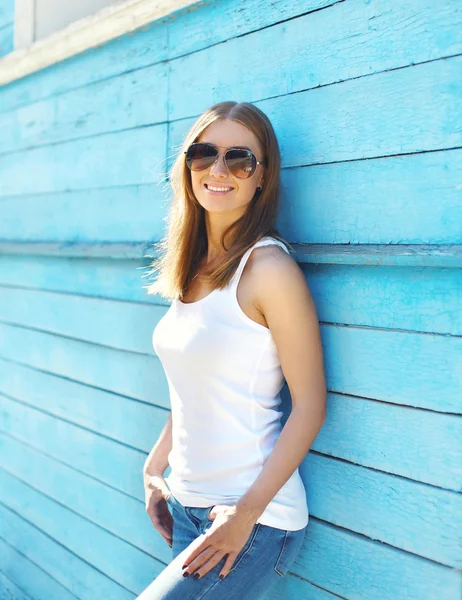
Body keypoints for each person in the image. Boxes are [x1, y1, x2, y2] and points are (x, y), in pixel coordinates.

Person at [138, 101, 327, 599]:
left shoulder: (268, 270)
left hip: (253, 519)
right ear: (187, 166)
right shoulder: (191, 270)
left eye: (240, 158)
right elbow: (194, 386)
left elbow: (310, 406)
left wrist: (246, 515)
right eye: (204, 154)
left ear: (261, 177)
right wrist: (154, 468)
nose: (218, 170)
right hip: (187, 507)